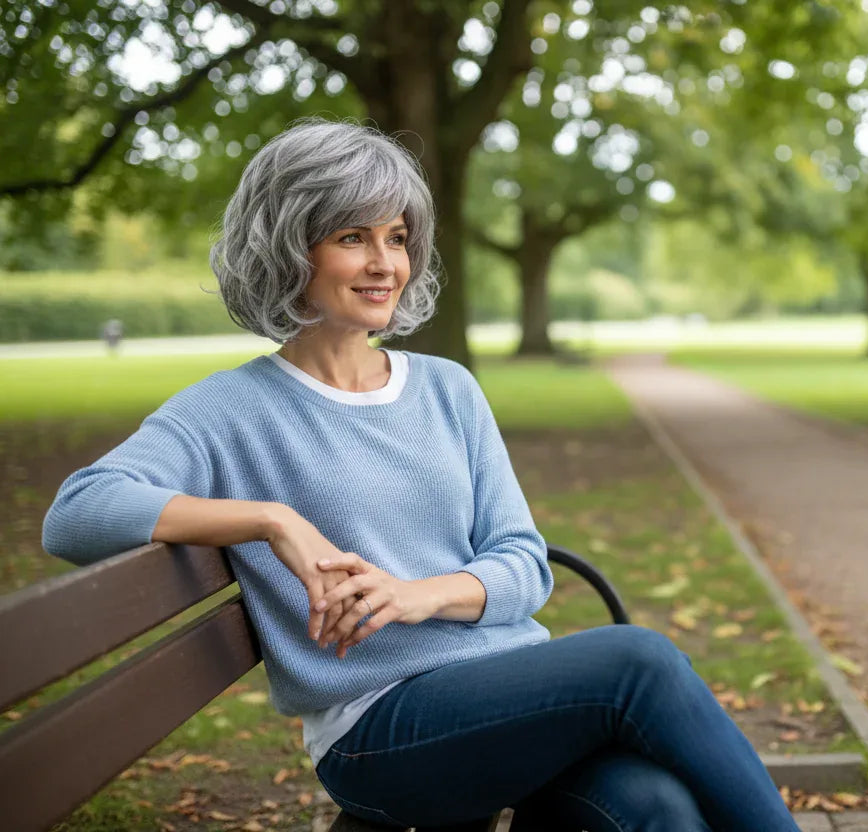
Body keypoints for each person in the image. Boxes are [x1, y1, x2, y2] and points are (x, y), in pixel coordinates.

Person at [41, 118, 800, 832]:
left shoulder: (446, 388)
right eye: (352, 237)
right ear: (287, 249)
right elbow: (77, 513)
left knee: (654, 804)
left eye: (398, 237)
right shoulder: (232, 409)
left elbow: (522, 564)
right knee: (641, 661)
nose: (385, 263)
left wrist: (416, 596)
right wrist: (271, 519)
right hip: (378, 732)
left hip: (505, 695)